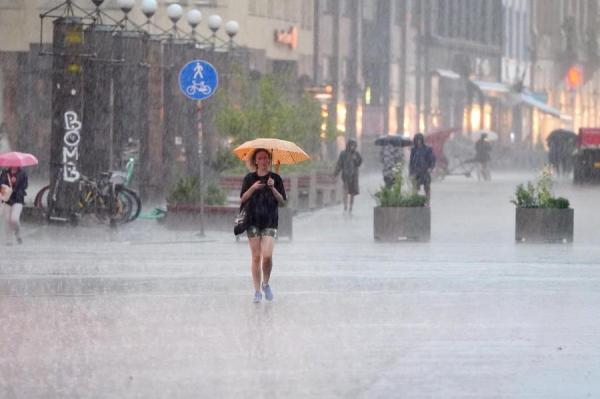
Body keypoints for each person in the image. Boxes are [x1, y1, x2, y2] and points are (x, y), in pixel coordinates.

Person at [240, 149, 286, 303]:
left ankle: (265, 283)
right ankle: (257, 291)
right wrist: (253, 187)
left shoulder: (276, 178)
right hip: (252, 221)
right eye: (260, 158)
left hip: (270, 221)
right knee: (256, 257)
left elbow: (282, 201)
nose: (263, 161)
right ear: (256, 161)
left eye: (266, 158)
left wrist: (273, 188)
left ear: (269, 160)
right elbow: (243, 198)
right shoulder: (249, 178)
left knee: (267, 256)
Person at [0, 167, 28, 245]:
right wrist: (7, 185)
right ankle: (9, 240)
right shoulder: (5, 173)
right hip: (7, 199)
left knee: (14, 219)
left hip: (18, 199)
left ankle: (18, 233)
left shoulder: (23, 173)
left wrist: (15, 188)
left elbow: (25, 185)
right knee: (7, 220)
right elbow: (1, 185)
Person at [334, 139, 362, 213]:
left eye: (354, 145)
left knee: (352, 192)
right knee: (345, 190)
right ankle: (345, 206)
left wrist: (355, 159)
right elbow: (339, 164)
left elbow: (359, 163)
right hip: (346, 175)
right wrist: (336, 172)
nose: (353, 147)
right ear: (349, 145)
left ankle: (351, 207)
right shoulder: (343, 153)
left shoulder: (356, 154)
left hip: (354, 176)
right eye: (352, 145)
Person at [409, 133, 435, 206]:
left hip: (425, 171)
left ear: (422, 140)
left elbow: (432, 159)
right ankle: (414, 201)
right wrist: (411, 173)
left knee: (427, 188)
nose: (418, 141)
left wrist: (430, 168)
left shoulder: (427, 149)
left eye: (420, 139)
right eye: (417, 140)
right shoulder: (413, 150)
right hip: (416, 172)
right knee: (415, 188)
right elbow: (411, 162)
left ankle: (427, 202)